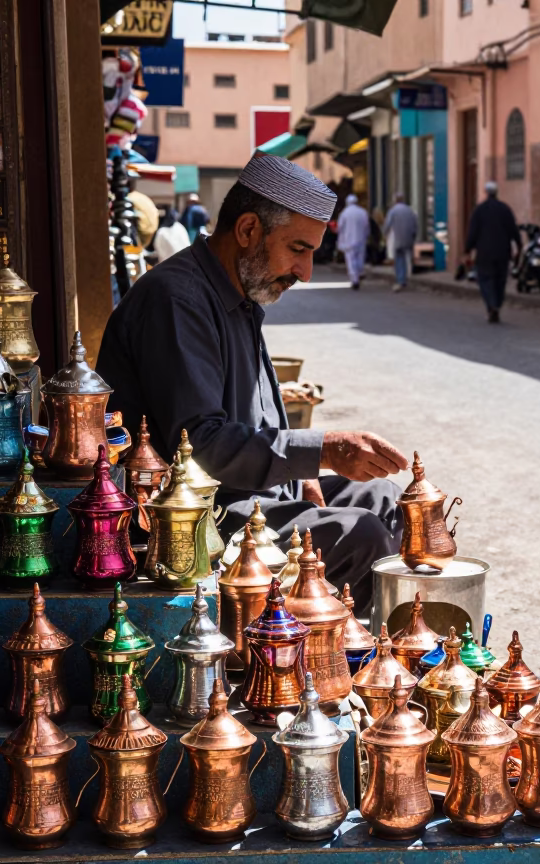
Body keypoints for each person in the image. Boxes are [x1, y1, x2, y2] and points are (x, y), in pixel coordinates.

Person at [96, 154, 410, 607]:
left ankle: (383, 644)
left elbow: (256, 417)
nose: (305, 272)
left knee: (386, 498)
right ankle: (337, 663)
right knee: (360, 536)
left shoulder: (237, 294)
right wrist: (320, 451)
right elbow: (200, 444)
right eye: (298, 249)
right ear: (247, 231)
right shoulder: (177, 300)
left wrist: (302, 473)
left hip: (256, 492)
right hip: (202, 517)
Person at [464, 181, 521, 323]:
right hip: (503, 252)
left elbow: (472, 232)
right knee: (500, 281)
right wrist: (519, 246)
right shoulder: (505, 209)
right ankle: (497, 305)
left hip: (484, 253)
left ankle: (492, 305)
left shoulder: (479, 210)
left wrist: (467, 250)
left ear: (486, 192)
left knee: (485, 280)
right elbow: (513, 230)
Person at [383, 193, 419, 292]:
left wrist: (384, 234)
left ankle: (401, 280)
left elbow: (387, 225)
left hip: (398, 238)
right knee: (407, 258)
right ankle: (406, 276)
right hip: (408, 238)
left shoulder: (393, 211)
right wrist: (414, 236)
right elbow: (415, 224)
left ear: (395, 200)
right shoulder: (410, 210)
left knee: (399, 259)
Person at [336, 194, 369, 290]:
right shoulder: (363, 212)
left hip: (348, 241)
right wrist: (366, 237)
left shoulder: (344, 213)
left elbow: (340, 228)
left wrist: (340, 240)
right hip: (361, 240)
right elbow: (367, 227)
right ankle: (359, 274)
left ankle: (355, 280)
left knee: (351, 261)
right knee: (360, 259)